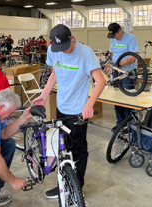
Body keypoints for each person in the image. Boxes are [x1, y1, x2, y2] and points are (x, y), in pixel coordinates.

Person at [32, 24, 105, 198]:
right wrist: (44, 94)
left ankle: (76, 188)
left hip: (79, 110)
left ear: (72, 38)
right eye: (59, 48)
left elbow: (100, 81)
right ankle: (64, 184)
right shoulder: (53, 49)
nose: (63, 52)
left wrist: (89, 103)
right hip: (61, 107)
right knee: (62, 148)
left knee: (78, 149)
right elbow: (55, 73)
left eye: (65, 47)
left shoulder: (86, 53)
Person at [106, 22, 139, 131]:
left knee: (127, 100)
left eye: (115, 34)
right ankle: (121, 123)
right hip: (116, 72)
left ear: (120, 31)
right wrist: (109, 63)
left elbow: (133, 58)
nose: (114, 37)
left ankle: (130, 125)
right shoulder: (113, 39)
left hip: (128, 72)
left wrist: (119, 64)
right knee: (116, 99)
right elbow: (111, 54)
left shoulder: (131, 38)